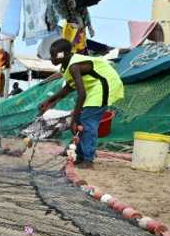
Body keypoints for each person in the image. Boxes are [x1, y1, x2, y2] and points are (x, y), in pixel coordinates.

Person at [37, 38, 125, 168]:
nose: (51, 58)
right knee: (82, 122)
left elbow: (81, 94)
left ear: (63, 55)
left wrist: (74, 119)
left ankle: (88, 160)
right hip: (94, 88)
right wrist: (49, 101)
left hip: (105, 85)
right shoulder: (65, 68)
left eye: (54, 55)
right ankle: (79, 155)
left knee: (87, 123)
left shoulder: (74, 66)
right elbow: (69, 87)